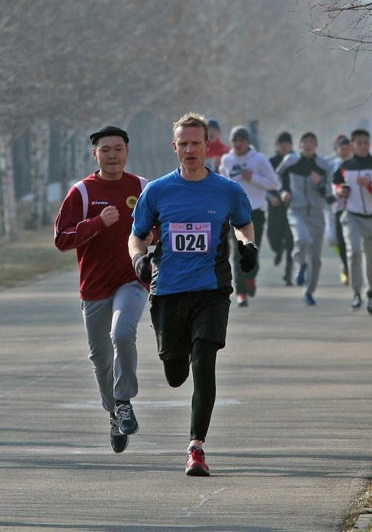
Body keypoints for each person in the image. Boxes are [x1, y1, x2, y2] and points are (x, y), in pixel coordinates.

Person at [128, 112, 256, 477]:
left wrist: (248, 245)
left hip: (211, 290)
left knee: (204, 360)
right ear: (175, 148)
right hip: (168, 291)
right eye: (182, 143)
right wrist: (138, 259)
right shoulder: (157, 191)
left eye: (195, 143)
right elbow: (136, 234)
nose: (189, 150)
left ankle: (196, 448)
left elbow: (243, 223)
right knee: (175, 373)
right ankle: (175, 355)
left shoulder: (227, 190)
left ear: (207, 146)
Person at [54, 125, 149, 453]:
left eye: (118, 149)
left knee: (123, 333)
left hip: (131, 280)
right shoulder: (81, 192)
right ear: (95, 154)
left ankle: (123, 401)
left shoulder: (142, 187)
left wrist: (154, 239)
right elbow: (61, 240)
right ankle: (113, 414)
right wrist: (96, 224)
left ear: (126, 151)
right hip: (94, 288)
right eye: (105, 149)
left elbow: (162, 227)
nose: (112, 155)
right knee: (101, 359)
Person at [332, 129, 372, 314]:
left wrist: (370, 185)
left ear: (369, 144)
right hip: (352, 215)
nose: (363, 145)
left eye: (366, 142)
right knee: (354, 252)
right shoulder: (346, 165)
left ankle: (371, 291)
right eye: (359, 142)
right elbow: (335, 183)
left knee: (371, 257)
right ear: (352, 145)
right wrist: (340, 190)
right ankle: (356, 293)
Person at [218, 125, 278, 306]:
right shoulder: (226, 160)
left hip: (255, 213)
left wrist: (252, 178)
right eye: (235, 140)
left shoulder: (259, 160)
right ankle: (241, 292)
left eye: (242, 140)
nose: (238, 144)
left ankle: (251, 277)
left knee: (252, 251)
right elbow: (221, 184)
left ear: (248, 142)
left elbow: (274, 183)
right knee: (237, 252)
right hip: (234, 214)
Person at [277, 132, 332, 306]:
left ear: (316, 145)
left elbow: (331, 191)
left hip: (316, 213)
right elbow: (278, 178)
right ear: (299, 146)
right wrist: (283, 192)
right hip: (297, 210)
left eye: (311, 142)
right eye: (304, 142)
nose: (308, 145)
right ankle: (300, 264)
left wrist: (320, 183)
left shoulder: (323, 165)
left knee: (315, 258)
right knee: (302, 240)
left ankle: (309, 292)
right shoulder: (290, 161)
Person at [266, 131, 295, 286]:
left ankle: (288, 274)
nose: (284, 146)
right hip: (275, 206)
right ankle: (278, 250)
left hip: (292, 207)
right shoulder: (270, 162)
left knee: (291, 241)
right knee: (273, 237)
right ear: (277, 145)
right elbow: (264, 185)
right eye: (281, 143)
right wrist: (271, 198)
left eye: (286, 143)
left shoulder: (296, 160)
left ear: (291, 145)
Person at [326, 134, 352, 285]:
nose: (344, 151)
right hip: (336, 207)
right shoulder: (331, 165)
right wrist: (329, 196)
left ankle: (350, 267)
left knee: (352, 241)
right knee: (337, 240)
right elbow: (325, 183)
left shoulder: (356, 164)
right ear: (336, 151)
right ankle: (344, 266)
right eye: (341, 149)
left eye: (346, 149)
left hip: (354, 208)